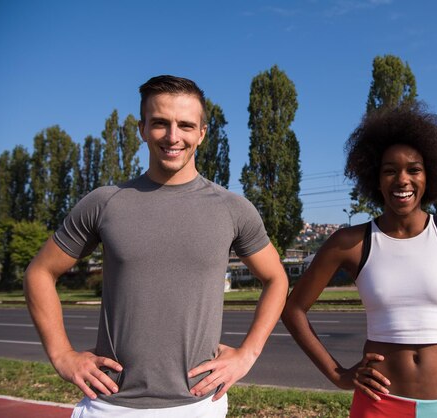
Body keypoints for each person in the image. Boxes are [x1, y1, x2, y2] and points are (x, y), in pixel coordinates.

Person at [24, 75, 288, 417]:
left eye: (186, 125)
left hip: (199, 406)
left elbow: (277, 279)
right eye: (160, 123)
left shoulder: (233, 209)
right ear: (142, 129)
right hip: (110, 406)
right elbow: (39, 273)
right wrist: (62, 355)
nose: (173, 136)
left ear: (202, 133)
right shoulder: (104, 203)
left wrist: (247, 354)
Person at [281, 104, 437, 417]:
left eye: (413, 170)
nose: (402, 180)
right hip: (378, 405)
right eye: (390, 170)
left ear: (429, 176)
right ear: (376, 179)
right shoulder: (351, 243)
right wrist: (337, 374)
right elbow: (293, 309)